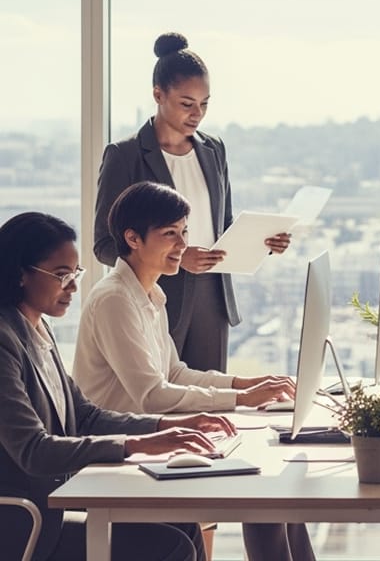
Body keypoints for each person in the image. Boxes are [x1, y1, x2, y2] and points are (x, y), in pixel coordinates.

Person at [74, 182, 314, 561]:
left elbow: (176, 372)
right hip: (126, 454)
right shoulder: (115, 299)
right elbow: (153, 395)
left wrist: (244, 383)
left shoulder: (149, 294)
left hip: (154, 444)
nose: (183, 245)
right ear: (132, 238)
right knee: (266, 502)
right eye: (170, 234)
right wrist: (240, 399)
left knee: (278, 501)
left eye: (184, 232)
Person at [0, 211, 238, 561]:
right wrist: (139, 444)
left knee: (183, 525)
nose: (74, 287)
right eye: (61, 275)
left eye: (75, 273)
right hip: (24, 524)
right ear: (20, 273)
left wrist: (168, 426)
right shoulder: (5, 341)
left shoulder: (36, 328)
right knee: (169, 546)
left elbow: (85, 416)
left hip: (53, 505)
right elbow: (34, 451)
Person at [94, 31, 291, 374]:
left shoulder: (213, 150)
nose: (197, 114)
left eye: (204, 104)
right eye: (187, 104)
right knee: (160, 404)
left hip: (212, 300)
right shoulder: (124, 156)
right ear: (158, 94)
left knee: (212, 405)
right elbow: (103, 245)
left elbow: (224, 226)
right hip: (153, 296)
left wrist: (265, 241)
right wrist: (175, 257)